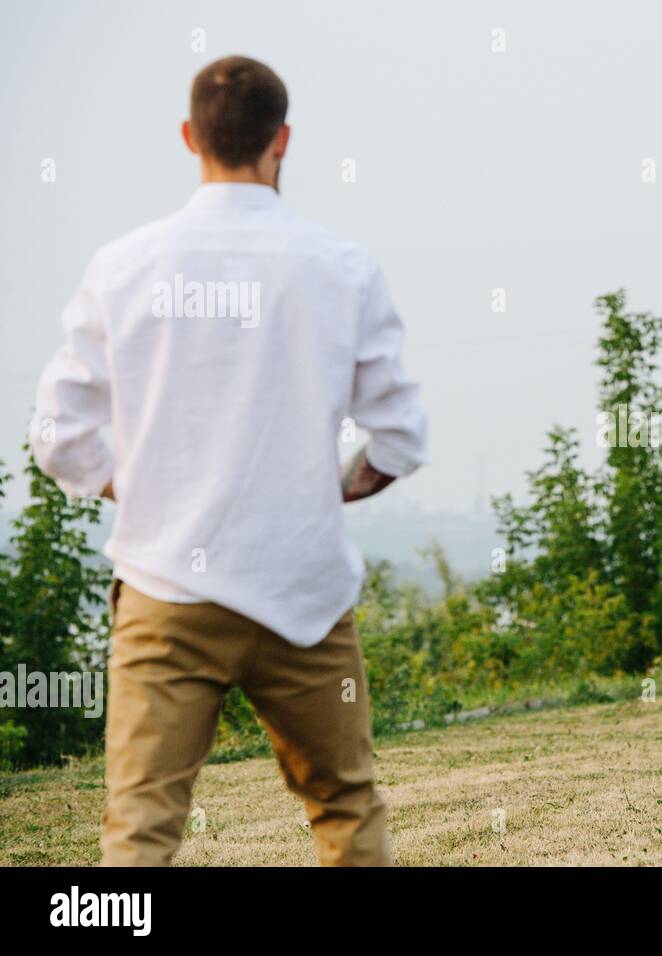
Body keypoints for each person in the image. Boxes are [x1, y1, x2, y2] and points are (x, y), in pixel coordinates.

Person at [29, 55, 428, 865]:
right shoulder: (342, 267)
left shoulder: (124, 266)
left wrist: (132, 488)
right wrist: (340, 487)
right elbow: (401, 437)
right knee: (346, 806)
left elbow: (57, 432)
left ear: (189, 138)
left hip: (164, 587)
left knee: (139, 826)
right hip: (304, 593)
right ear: (283, 140)